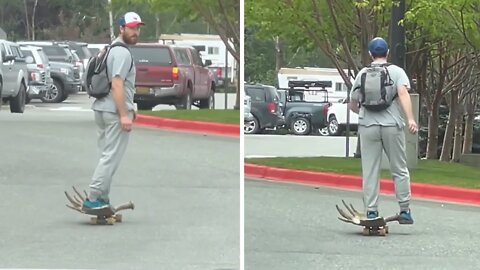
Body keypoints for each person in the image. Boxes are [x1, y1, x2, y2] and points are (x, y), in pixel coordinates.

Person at [348, 37, 418, 224]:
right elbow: (403, 94)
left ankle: (371, 211)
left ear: (370, 54)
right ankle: (404, 210)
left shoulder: (362, 73)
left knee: (370, 169)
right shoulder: (396, 72)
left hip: (367, 126)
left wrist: (365, 111)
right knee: (399, 168)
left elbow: (353, 104)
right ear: (387, 53)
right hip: (391, 125)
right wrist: (410, 119)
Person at [82, 12, 144, 210]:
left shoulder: (109, 49)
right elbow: (117, 84)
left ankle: (103, 198)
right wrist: (124, 114)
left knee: (106, 155)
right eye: (132, 28)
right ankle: (93, 197)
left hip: (101, 108)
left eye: (138, 28)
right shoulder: (122, 53)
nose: (135, 32)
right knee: (111, 157)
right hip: (113, 112)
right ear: (121, 28)